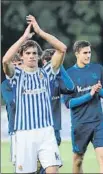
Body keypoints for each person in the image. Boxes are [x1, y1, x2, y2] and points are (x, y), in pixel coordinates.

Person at [2, 15, 67, 173]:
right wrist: (23, 38)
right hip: (24, 133)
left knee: (52, 170)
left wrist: (40, 31)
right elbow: (5, 60)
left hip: (46, 131)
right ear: (22, 56)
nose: (31, 56)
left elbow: (62, 48)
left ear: (38, 56)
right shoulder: (16, 75)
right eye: (28, 53)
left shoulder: (47, 73)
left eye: (34, 53)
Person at [63, 40, 103, 173]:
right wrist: (89, 95)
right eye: (85, 53)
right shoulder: (69, 74)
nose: (88, 55)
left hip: (98, 123)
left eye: (89, 52)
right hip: (80, 124)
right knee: (78, 160)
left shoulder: (98, 69)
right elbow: (69, 103)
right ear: (77, 54)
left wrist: (98, 90)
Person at [38, 49, 75, 173]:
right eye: (50, 61)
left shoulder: (58, 80)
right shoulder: (38, 78)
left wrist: (61, 66)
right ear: (44, 62)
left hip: (54, 129)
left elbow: (71, 88)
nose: (53, 64)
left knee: (51, 167)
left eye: (55, 61)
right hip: (39, 128)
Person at [1, 54, 23, 168]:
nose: (17, 67)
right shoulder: (5, 84)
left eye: (20, 64)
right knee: (19, 165)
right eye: (14, 65)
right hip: (15, 129)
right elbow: (12, 102)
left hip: (32, 128)